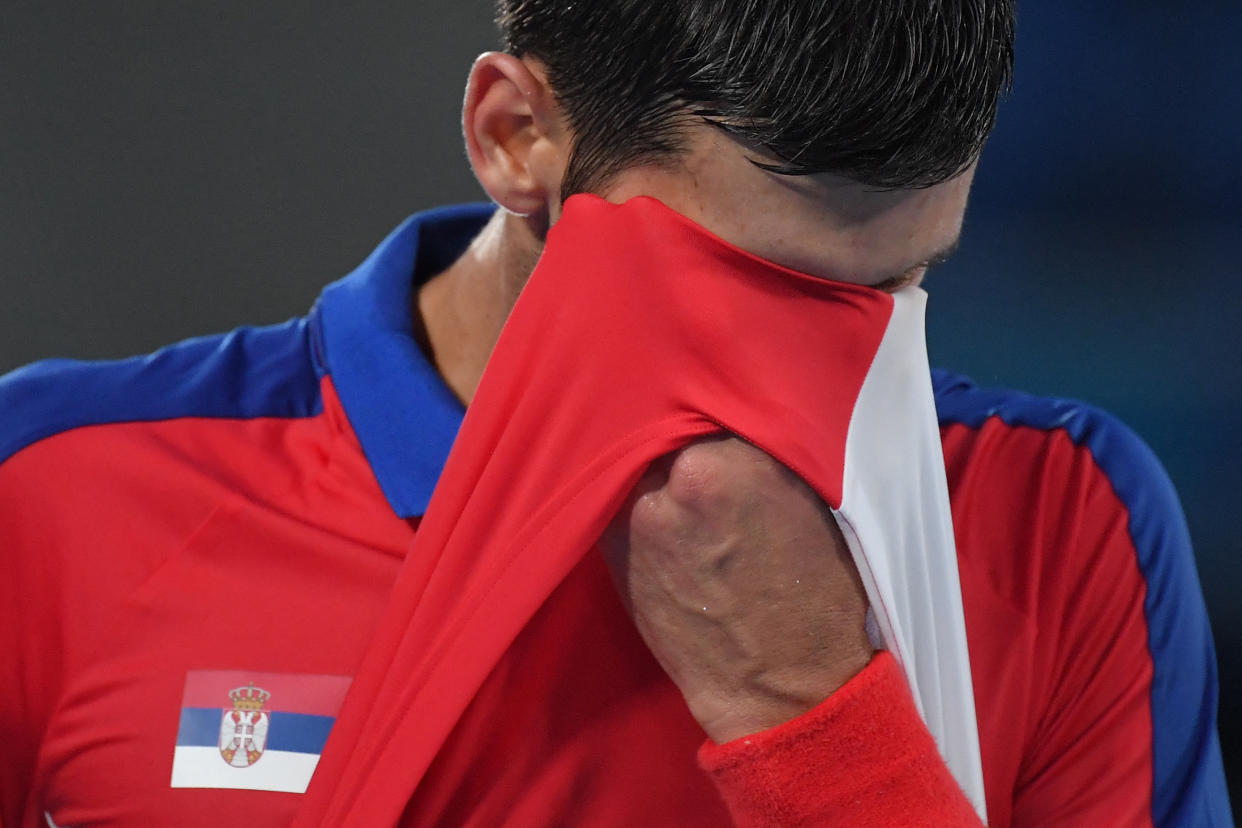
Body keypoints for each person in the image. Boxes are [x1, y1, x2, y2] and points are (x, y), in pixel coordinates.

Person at [0, 1, 1230, 825]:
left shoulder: (1062, 520)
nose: (837, 368)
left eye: (904, 283)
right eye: (759, 290)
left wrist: (812, 721)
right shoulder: (55, 497)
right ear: (514, 137)